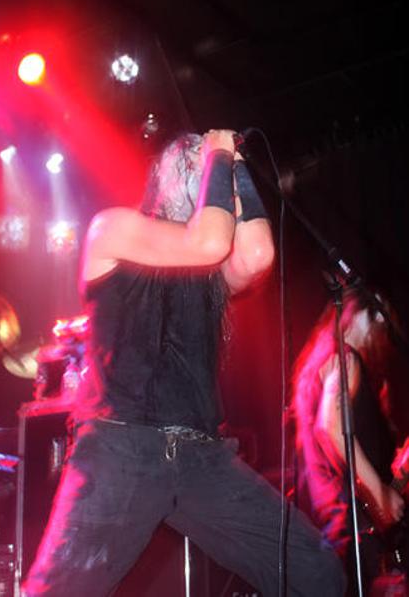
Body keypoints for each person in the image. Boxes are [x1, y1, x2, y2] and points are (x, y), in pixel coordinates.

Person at [22, 129, 345, 596]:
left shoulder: (211, 266)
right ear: (165, 177)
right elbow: (207, 242)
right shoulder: (114, 228)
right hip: (121, 448)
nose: (205, 164)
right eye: (192, 158)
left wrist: (235, 167)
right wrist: (218, 152)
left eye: (207, 160)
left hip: (201, 457)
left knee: (315, 571)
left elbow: (257, 255)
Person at [292, 285, 407, 595]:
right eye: (378, 319)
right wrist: (380, 494)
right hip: (353, 521)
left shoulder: (328, 360)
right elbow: (330, 426)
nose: (381, 330)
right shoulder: (346, 358)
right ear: (357, 316)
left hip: (337, 521)